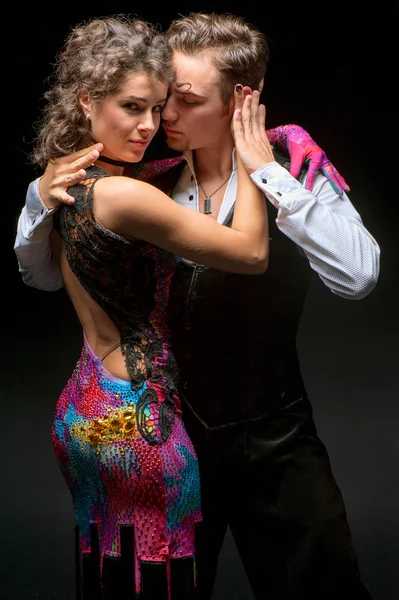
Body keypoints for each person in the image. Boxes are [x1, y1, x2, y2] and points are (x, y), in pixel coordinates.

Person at [14, 11, 380, 600]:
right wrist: (37, 200)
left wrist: (268, 175)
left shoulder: (292, 166)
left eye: (180, 101)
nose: (164, 120)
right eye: (158, 102)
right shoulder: (145, 182)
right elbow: (43, 278)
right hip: (170, 435)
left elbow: (360, 276)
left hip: (276, 445)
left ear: (242, 101)